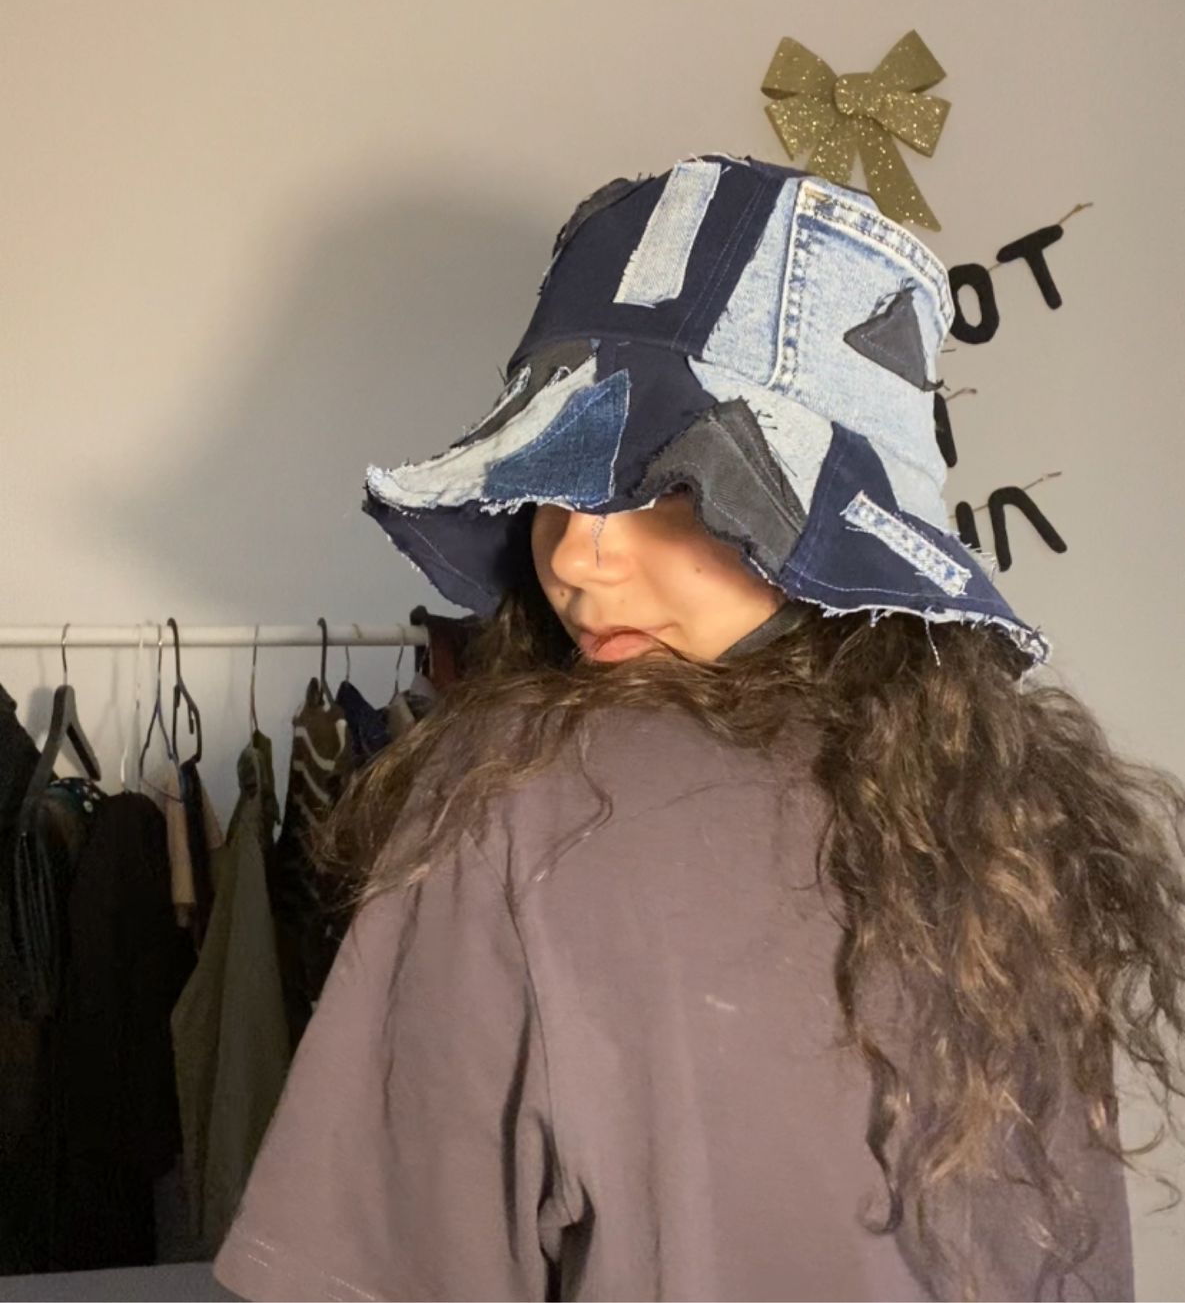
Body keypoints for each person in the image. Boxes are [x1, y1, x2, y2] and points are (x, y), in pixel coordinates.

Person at [214, 153, 1185, 1302]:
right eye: (553, 478)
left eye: (673, 486)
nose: (578, 556)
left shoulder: (523, 790)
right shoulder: (1020, 816)